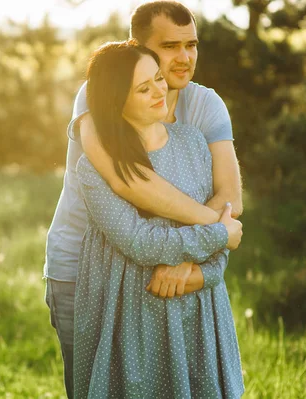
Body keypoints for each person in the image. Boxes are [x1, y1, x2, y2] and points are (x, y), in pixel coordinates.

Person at [43, 2, 243, 397]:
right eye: (170, 46)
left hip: (163, 276)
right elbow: (132, 183)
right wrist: (218, 232)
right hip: (82, 269)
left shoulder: (202, 110)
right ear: (137, 46)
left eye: (192, 45)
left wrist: (192, 262)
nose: (184, 58)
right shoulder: (102, 91)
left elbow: (229, 199)